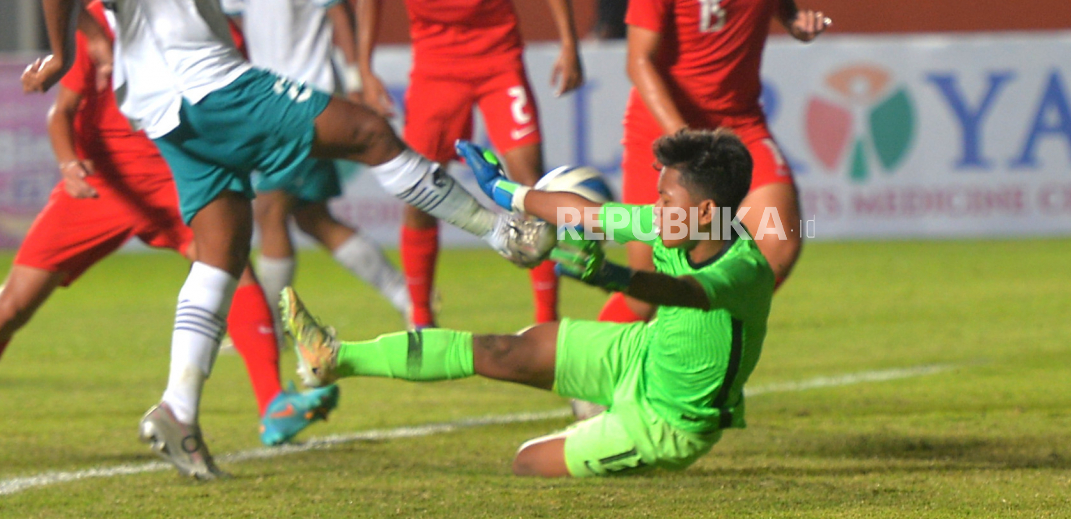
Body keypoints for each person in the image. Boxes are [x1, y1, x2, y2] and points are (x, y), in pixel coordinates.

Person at [18, 0, 540, 480]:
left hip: (165, 104)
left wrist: (64, 40)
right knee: (366, 132)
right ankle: (502, 232)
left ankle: (178, 410)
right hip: (208, 86)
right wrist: (67, 55)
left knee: (223, 251)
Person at [0, 2, 338, 447]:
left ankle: (273, 405)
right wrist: (69, 164)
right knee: (14, 303)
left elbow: (231, 102)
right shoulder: (98, 21)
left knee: (233, 266)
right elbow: (61, 112)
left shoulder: (212, 23)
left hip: (174, 175)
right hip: (102, 183)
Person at [284, 129, 774, 478]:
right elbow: (589, 214)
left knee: (527, 462)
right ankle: (334, 357)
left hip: (669, 423)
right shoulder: (676, 223)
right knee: (505, 350)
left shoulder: (744, 270)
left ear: (707, 212)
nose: (656, 208)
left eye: (666, 199)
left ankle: (610, 433)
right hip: (640, 354)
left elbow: (685, 293)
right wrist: (505, 191)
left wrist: (612, 275)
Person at [596, 0, 828, 332]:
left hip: (739, 124)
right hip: (665, 128)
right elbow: (638, 60)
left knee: (779, 241)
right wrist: (682, 137)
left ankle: (696, 340)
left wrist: (791, 17)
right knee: (648, 282)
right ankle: (591, 371)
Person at [355, 0, 583, 329]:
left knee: (529, 189)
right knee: (420, 191)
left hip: (499, 66)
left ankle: (547, 319)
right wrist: (365, 70)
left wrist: (569, 45)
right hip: (436, 74)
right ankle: (420, 316)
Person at [222, 0, 410, 328]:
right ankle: (407, 298)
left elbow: (337, 9)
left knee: (268, 211)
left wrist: (355, 80)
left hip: (304, 101)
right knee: (311, 218)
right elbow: (235, 25)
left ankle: (271, 328)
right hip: (263, 104)